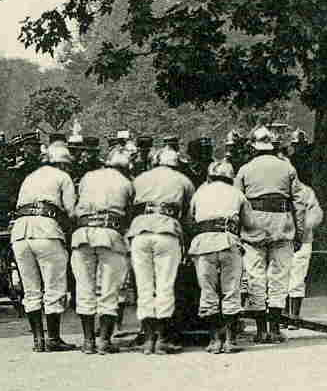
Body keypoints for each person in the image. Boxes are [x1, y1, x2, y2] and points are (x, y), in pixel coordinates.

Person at [11, 139, 79, 353]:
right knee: (54, 286)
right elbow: (71, 211)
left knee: (31, 289)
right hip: (47, 230)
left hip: (20, 231)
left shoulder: (30, 177)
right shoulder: (63, 177)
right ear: (64, 164)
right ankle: (54, 338)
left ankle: (38, 340)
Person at [236, 124, 300, 340]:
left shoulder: (245, 169)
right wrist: (299, 231)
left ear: (253, 147)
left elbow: (236, 201)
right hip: (282, 224)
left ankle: (261, 330)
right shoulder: (287, 168)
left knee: (255, 276)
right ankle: (274, 328)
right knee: (280, 276)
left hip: (253, 225)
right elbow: (298, 202)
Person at [69, 143, 135, 355]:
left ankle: (88, 341)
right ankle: (104, 340)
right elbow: (130, 212)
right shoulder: (127, 182)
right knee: (110, 289)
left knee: (85, 288)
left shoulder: (89, 177)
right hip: (110, 233)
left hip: (82, 233)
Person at [130, 145, 195, 353]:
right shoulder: (183, 180)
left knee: (144, 285)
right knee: (166, 285)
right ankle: (162, 338)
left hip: (140, 230)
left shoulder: (140, 178)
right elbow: (189, 215)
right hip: (168, 229)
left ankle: (148, 339)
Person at [189, 159, 255, 354]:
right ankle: (229, 340)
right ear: (230, 177)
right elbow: (250, 223)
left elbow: (190, 218)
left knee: (208, 291)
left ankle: (214, 340)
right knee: (231, 290)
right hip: (228, 242)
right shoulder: (237, 193)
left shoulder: (200, 193)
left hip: (203, 244)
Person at [284, 175, 324, 323]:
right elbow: (316, 215)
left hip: (292, 238)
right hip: (298, 238)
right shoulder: (306, 191)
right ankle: (290, 316)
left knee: (292, 276)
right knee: (294, 276)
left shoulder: (304, 191)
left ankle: (290, 315)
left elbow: (316, 215)